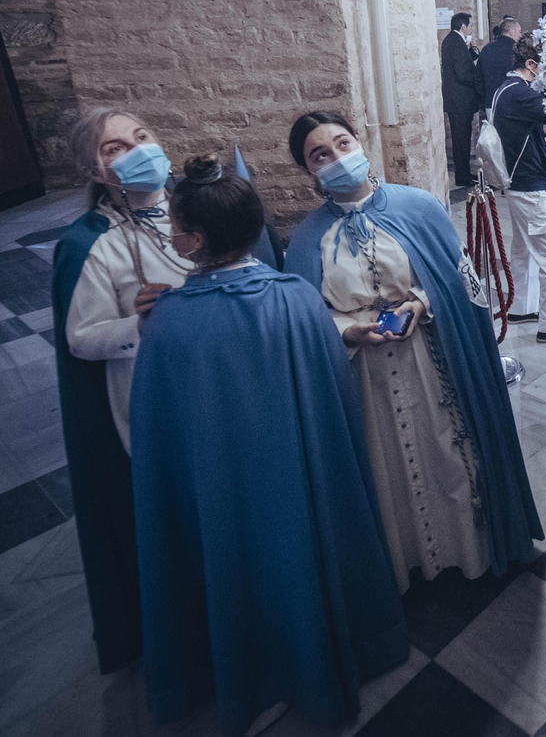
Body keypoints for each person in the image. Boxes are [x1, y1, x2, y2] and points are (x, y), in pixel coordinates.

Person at [131, 154, 407, 736]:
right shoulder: (294, 298)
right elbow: (329, 401)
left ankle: (249, 676)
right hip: (297, 476)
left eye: (175, 228)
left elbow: (164, 434)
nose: (173, 236)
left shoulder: (167, 321)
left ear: (191, 241)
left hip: (219, 488)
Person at [284, 112, 543, 590]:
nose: (337, 159)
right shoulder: (306, 240)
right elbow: (304, 318)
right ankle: (408, 566)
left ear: (360, 142)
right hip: (364, 377)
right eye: (321, 155)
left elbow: (461, 281)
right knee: (389, 476)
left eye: (343, 144)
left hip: (430, 360)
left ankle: (466, 554)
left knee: (447, 457)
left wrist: (421, 304)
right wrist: (347, 331)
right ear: (308, 171)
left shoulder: (418, 207)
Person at [52, 107, 193, 675]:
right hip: (151, 396)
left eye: (141, 137)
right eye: (114, 149)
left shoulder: (195, 207)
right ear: (96, 170)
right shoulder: (93, 243)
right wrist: (137, 325)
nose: (135, 151)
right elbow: (82, 338)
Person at [490, 37, 546, 343]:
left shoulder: (505, 90)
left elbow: (530, 123)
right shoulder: (519, 93)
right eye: (542, 66)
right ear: (530, 66)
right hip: (528, 187)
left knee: (523, 250)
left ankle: (520, 308)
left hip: (518, 185)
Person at [440, 11, 481, 188]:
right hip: (459, 101)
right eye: (471, 25)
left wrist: (472, 52)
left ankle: (464, 173)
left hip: (458, 100)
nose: (472, 28)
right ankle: (462, 176)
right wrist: (479, 80)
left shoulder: (453, 41)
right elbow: (463, 74)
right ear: (463, 27)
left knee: (462, 139)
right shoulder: (455, 42)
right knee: (461, 140)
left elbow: (460, 65)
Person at [477, 15, 521, 106]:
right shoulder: (517, 50)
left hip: (491, 101)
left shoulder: (487, 48)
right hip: (513, 101)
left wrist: (483, 99)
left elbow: (478, 77)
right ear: (511, 31)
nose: (520, 35)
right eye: (519, 32)